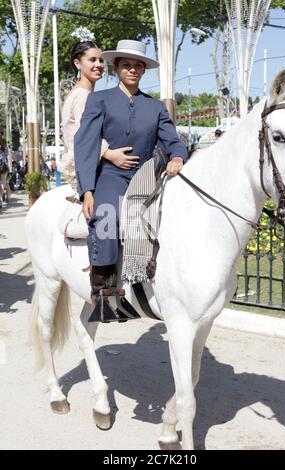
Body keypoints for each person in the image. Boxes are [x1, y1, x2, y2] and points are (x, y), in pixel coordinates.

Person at [74, 39, 188, 322]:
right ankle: (102, 291)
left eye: (138, 65)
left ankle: (153, 283)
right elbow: (86, 144)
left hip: (146, 177)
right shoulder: (99, 99)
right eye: (127, 65)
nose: (133, 70)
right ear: (116, 68)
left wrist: (176, 157)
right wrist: (87, 191)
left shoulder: (156, 107)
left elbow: (173, 141)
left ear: (144, 70)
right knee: (106, 215)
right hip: (111, 175)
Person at [62, 40, 138, 190]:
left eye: (101, 60)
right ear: (77, 63)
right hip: (88, 166)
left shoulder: (83, 93)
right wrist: (110, 154)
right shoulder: (82, 96)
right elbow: (85, 132)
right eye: (92, 60)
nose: (99, 65)